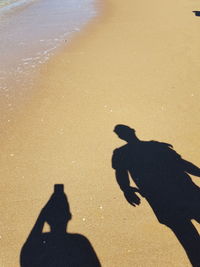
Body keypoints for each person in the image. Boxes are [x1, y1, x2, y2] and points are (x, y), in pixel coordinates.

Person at [112, 124, 200, 267]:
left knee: (190, 242)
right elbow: (121, 173)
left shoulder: (154, 147)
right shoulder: (130, 152)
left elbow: (181, 164)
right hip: (173, 198)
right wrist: (126, 189)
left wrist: (126, 190)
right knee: (191, 242)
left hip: (180, 196)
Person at [20, 184, 101, 267]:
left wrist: (42, 216)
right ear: (69, 216)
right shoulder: (79, 243)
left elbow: (27, 256)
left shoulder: (41, 244)